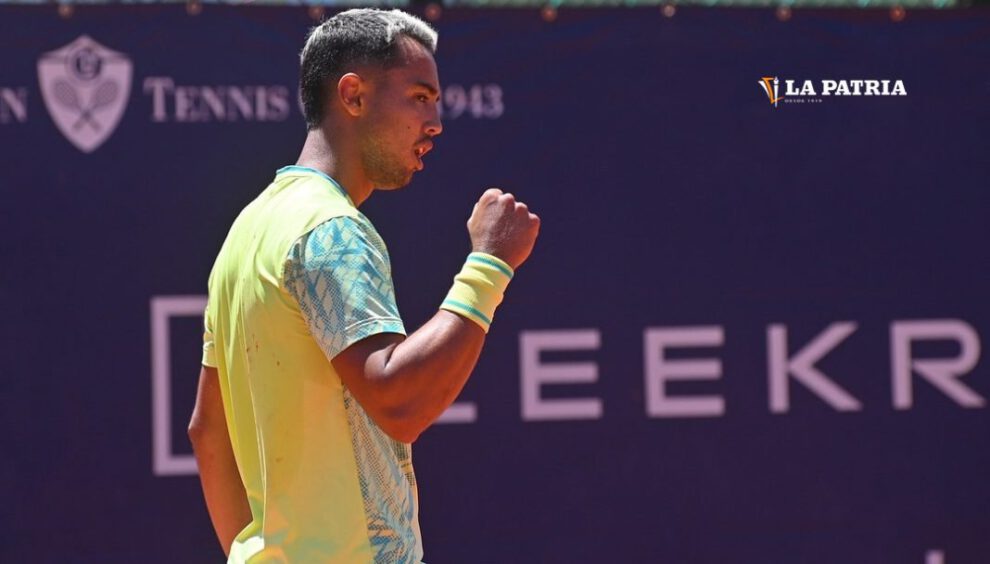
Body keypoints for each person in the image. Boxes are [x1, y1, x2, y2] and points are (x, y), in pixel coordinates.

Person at [186, 8, 540, 563]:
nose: (435, 123)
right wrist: (490, 265)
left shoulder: (247, 231)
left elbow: (207, 431)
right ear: (353, 95)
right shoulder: (332, 229)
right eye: (419, 97)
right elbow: (399, 401)